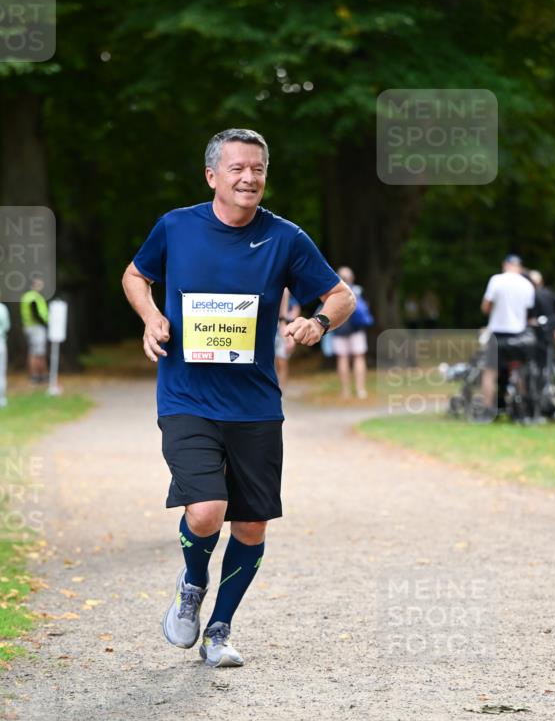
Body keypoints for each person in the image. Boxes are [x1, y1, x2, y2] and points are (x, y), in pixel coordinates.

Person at [122, 128, 354, 668]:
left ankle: (220, 630)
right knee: (206, 511)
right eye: (237, 169)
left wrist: (316, 323)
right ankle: (191, 584)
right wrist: (152, 316)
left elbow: (339, 295)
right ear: (212, 177)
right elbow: (136, 275)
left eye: (258, 169)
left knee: (249, 525)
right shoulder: (176, 227)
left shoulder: (285, 237)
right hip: (187, 396)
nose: (249, 178)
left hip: (254, 403)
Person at [480, 254, 535, 413]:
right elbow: (528, 312)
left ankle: (488, 408)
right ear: (520, 267)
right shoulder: (527, 284)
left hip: (497, 332)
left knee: (490, 372)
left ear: (505, 265)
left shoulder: (496, 280)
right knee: (519, 370)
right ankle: (522, 408)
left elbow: (486, 307)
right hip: (519, 334)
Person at [331, 266, 371, 400]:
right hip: (357, 330)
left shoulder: (333, 292)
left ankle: (345, 391)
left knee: (342, 358)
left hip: (339, 330)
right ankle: (361, 390)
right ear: (352, 278)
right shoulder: (358, 291)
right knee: (359, 357)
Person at [20, 277, 49, 383]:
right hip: (36, 327)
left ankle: (38, 375)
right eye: (39, 283)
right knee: (37, 352)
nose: (41, 286)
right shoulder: (34, 297)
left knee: (34, 351)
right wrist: (46, 323)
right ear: (33, 285)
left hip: (29, 327)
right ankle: (38, 375)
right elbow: (36, 314)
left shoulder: (26, 296)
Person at [274, 288, 301, 390]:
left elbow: (295, 311)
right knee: (274, 362)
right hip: (273, 332)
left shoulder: (291, 299)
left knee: (282, 361)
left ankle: (281, 388)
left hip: (283, 332)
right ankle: (275, 385)